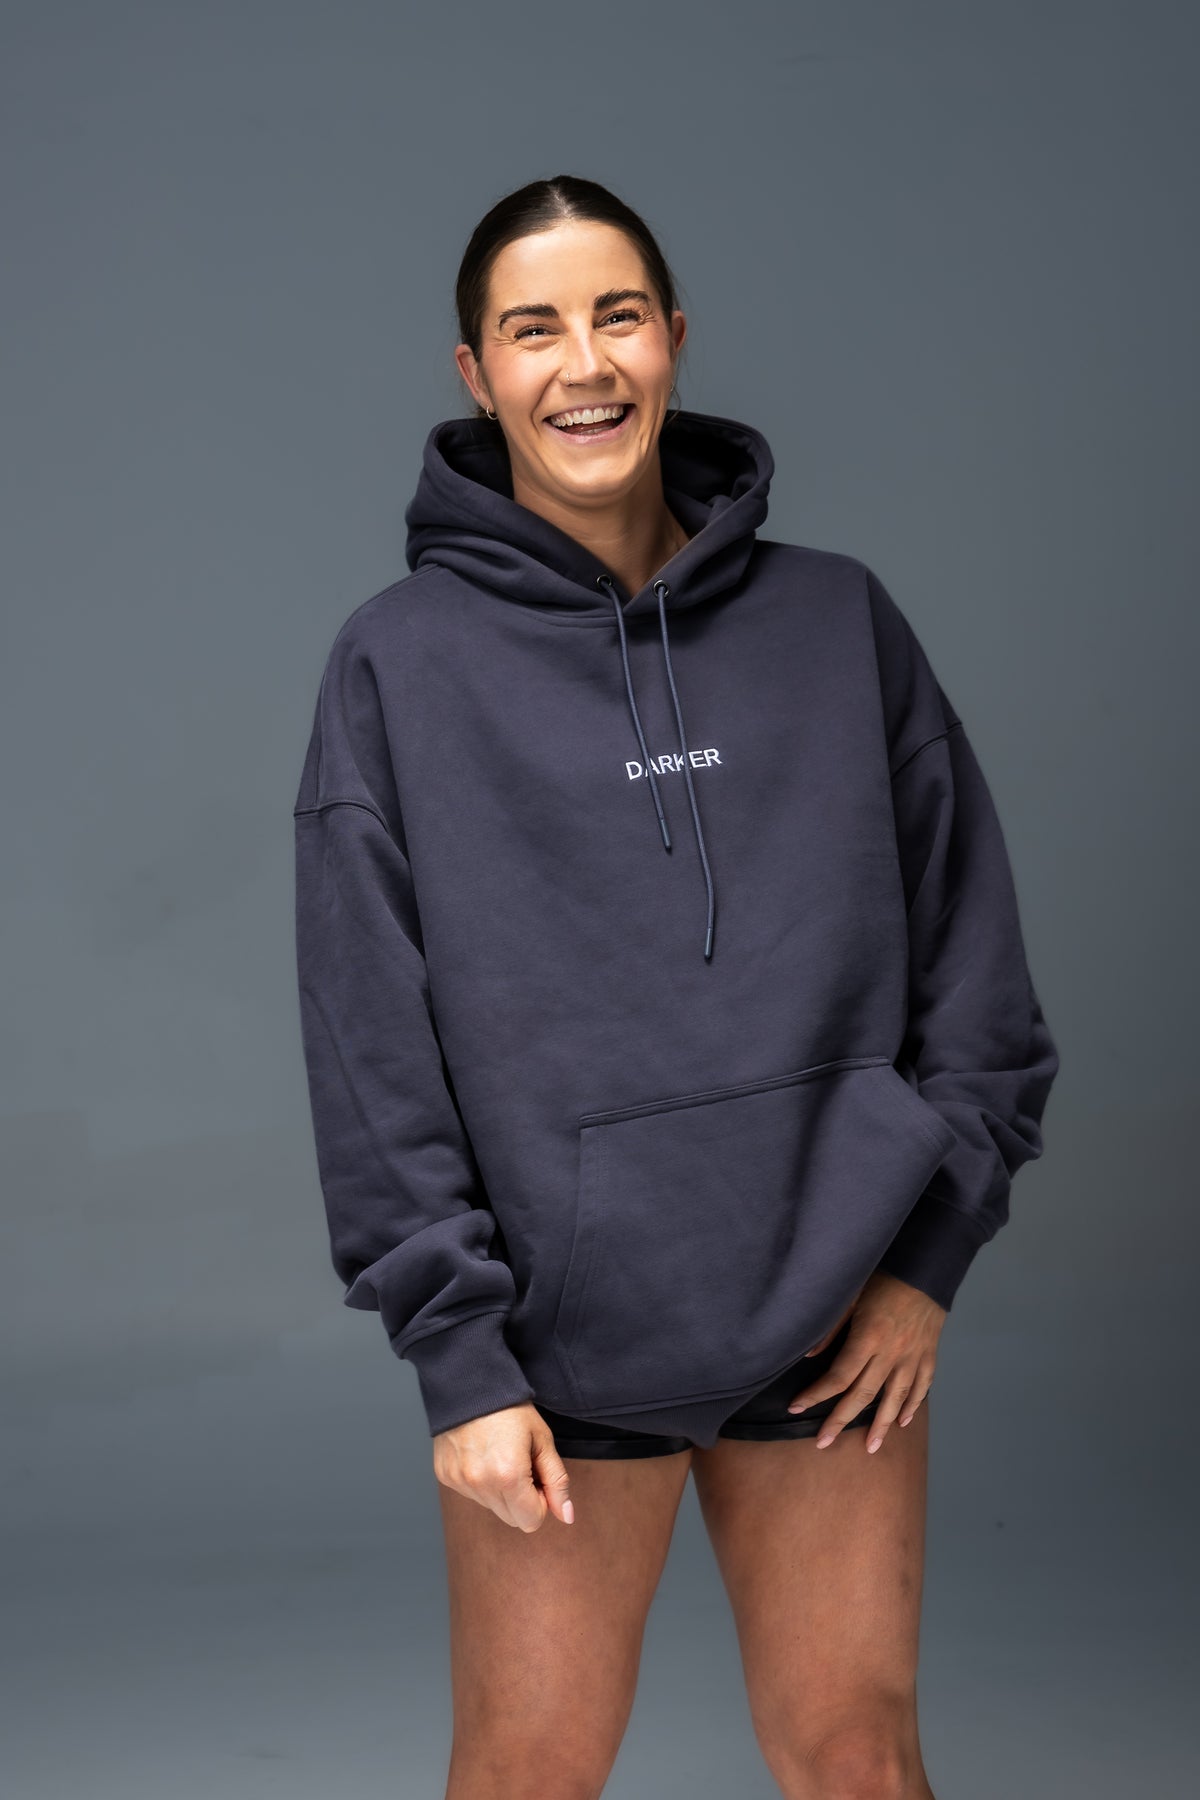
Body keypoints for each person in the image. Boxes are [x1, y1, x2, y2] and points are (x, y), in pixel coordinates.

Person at [292, 174, 1059, 1800]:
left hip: (838, 1315)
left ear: (676, 339)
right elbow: (371, 1047)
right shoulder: (396, 666)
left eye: (618, 316)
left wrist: (925, 1263)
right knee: (529, 1769)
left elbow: (981, 981)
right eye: (534, 329)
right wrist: (461, 1361)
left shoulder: (840, 623)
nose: (583, 364)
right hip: (561, 1348)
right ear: (476, 372)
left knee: (859, 1758)